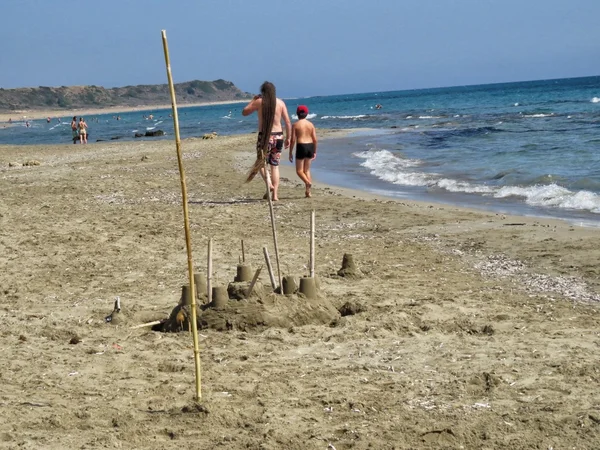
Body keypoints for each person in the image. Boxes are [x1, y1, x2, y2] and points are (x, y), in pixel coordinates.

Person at [242, 81, 291, 202]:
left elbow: (244, 112)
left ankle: (269, 184)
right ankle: (275, 195)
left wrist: (252, 100)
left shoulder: (259, 102)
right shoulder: (280, 103)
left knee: (260, 163)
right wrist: (288, 138)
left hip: (265, 137)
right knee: (275, 166)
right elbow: (288, 122)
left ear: (263, 91)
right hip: (278, 136)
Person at [289, 105, 318, 198]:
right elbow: (315, 139)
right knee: (307, 170)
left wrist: (290, 152)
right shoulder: (311, 125)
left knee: (299, 171)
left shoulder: (295, 125)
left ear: (297, 114)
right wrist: (314, 151)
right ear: (307, 114)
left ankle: (307, 182)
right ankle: (308, 192)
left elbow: (293, 140)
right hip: (310, 146)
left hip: (301, 146)